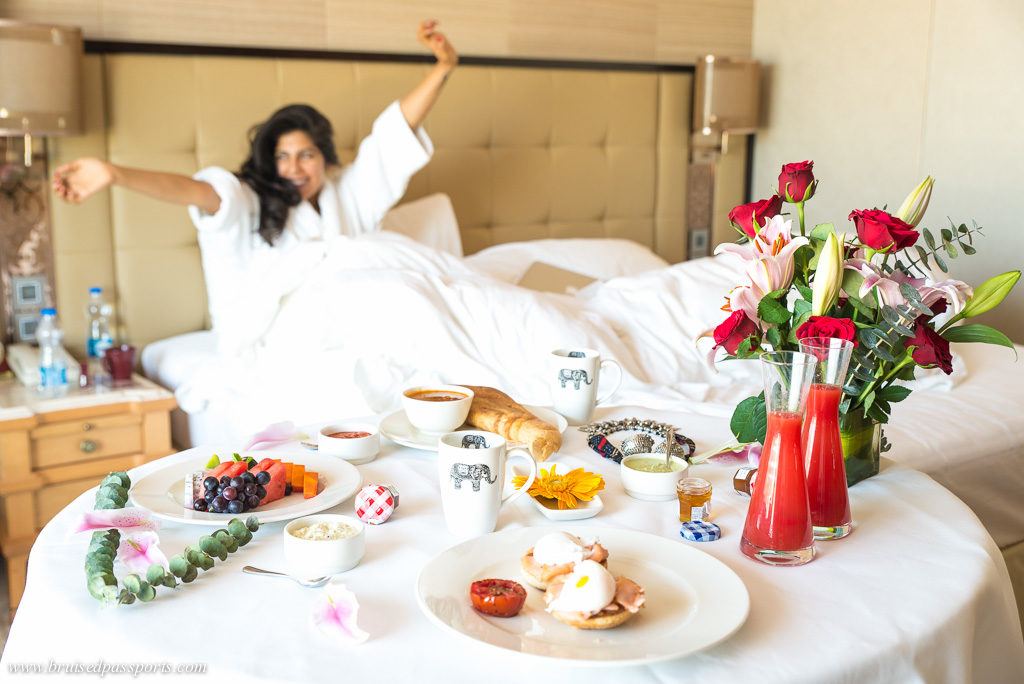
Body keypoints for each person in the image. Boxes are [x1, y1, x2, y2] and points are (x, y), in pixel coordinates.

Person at [52, 20, 458, 337]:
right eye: (282, 157)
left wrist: (443, 68)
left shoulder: (346, 193)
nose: (295, 168)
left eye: (307, 155)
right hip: (271, 333)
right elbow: (196, 192)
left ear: (326, 159)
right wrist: (115, 173)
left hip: (355, 315)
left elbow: (390, 138)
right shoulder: (249, 200)